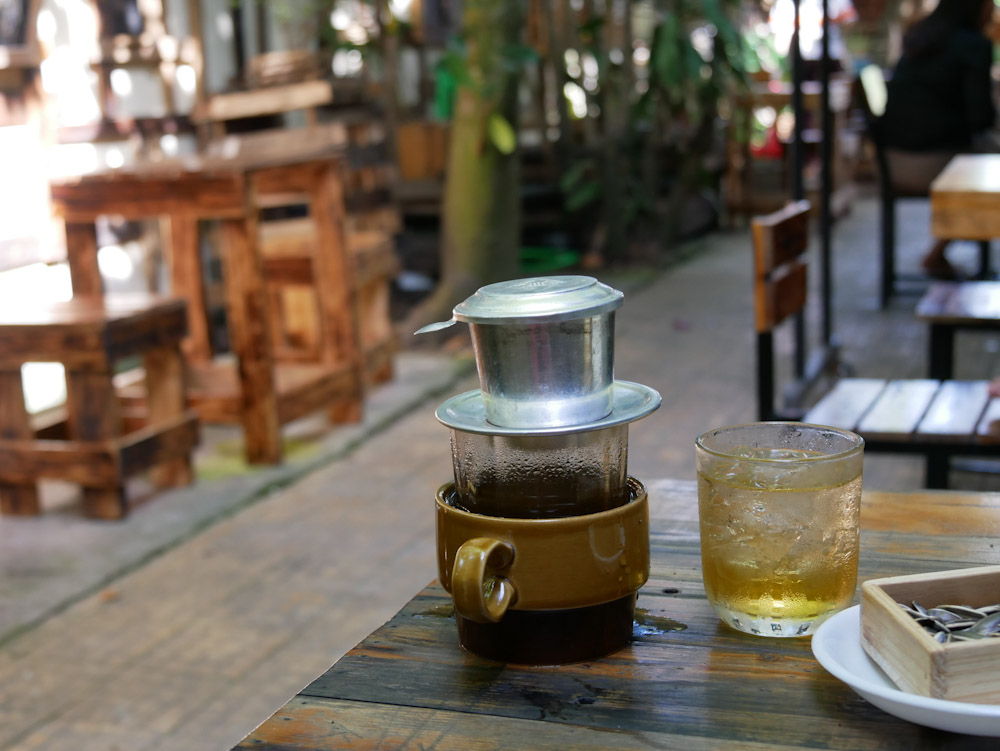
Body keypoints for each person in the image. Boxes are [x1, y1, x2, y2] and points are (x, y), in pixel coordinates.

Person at [881, 0, 998, 279]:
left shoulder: (919, 37)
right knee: (988, 164)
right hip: (936, 163)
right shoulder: (973, 46)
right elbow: (981, 118)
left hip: (892, 159)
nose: (992, 13)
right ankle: (940, 252)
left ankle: (940, 250)